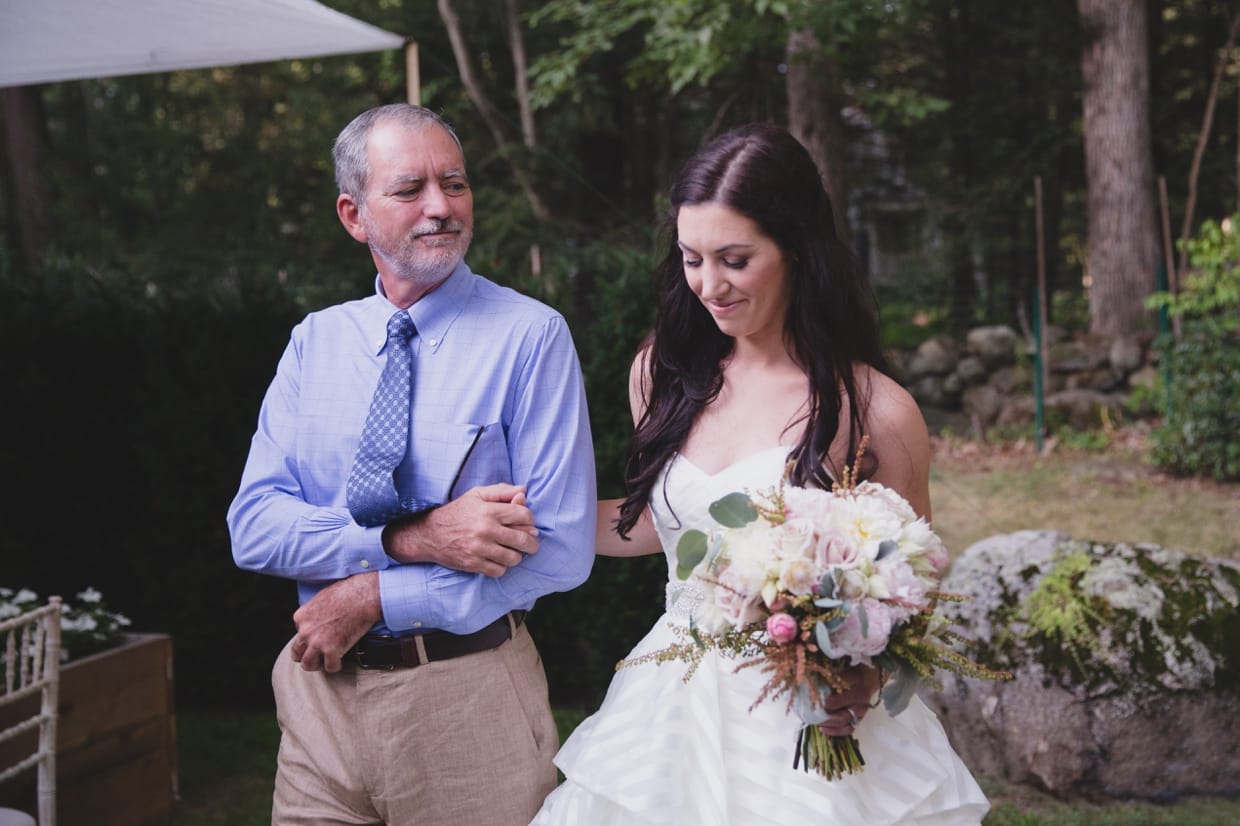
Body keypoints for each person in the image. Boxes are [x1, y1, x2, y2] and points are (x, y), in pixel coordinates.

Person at [531, 123, 989, 825]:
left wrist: (859, 676)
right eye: (691, 258)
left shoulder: (878, 411)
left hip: (806, 712)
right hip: (671, 704)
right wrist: (523, 519)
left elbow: (909, 584)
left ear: (797, 250)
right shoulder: (662, 372)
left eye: (734, 259)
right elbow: (670, 524)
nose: (708, 285)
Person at [227, 103, 596, 826]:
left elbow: (560, 551)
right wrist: (408, 540)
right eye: (410, 189)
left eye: (454, 184)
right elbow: (255, 527)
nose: (441, 207)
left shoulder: (531, 338)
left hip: (467, 700)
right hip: (318, 699)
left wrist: (371, 596)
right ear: (354, 214)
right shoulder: (315, 343)